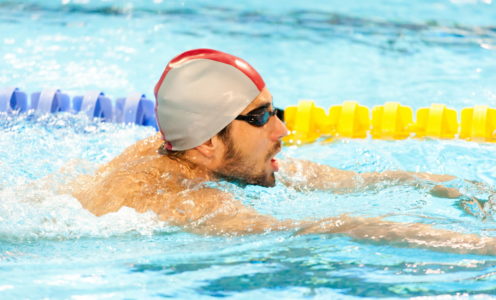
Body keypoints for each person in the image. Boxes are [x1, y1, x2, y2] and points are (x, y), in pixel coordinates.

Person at [72, 49, 496, 255]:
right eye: (259, 118)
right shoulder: (185, 199)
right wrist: (479, 246)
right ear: (206, 142)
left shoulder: (180, 149)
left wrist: (471, 190)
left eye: (276, 111)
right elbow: (328, 228)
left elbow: (359, 181)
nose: (282, 128)